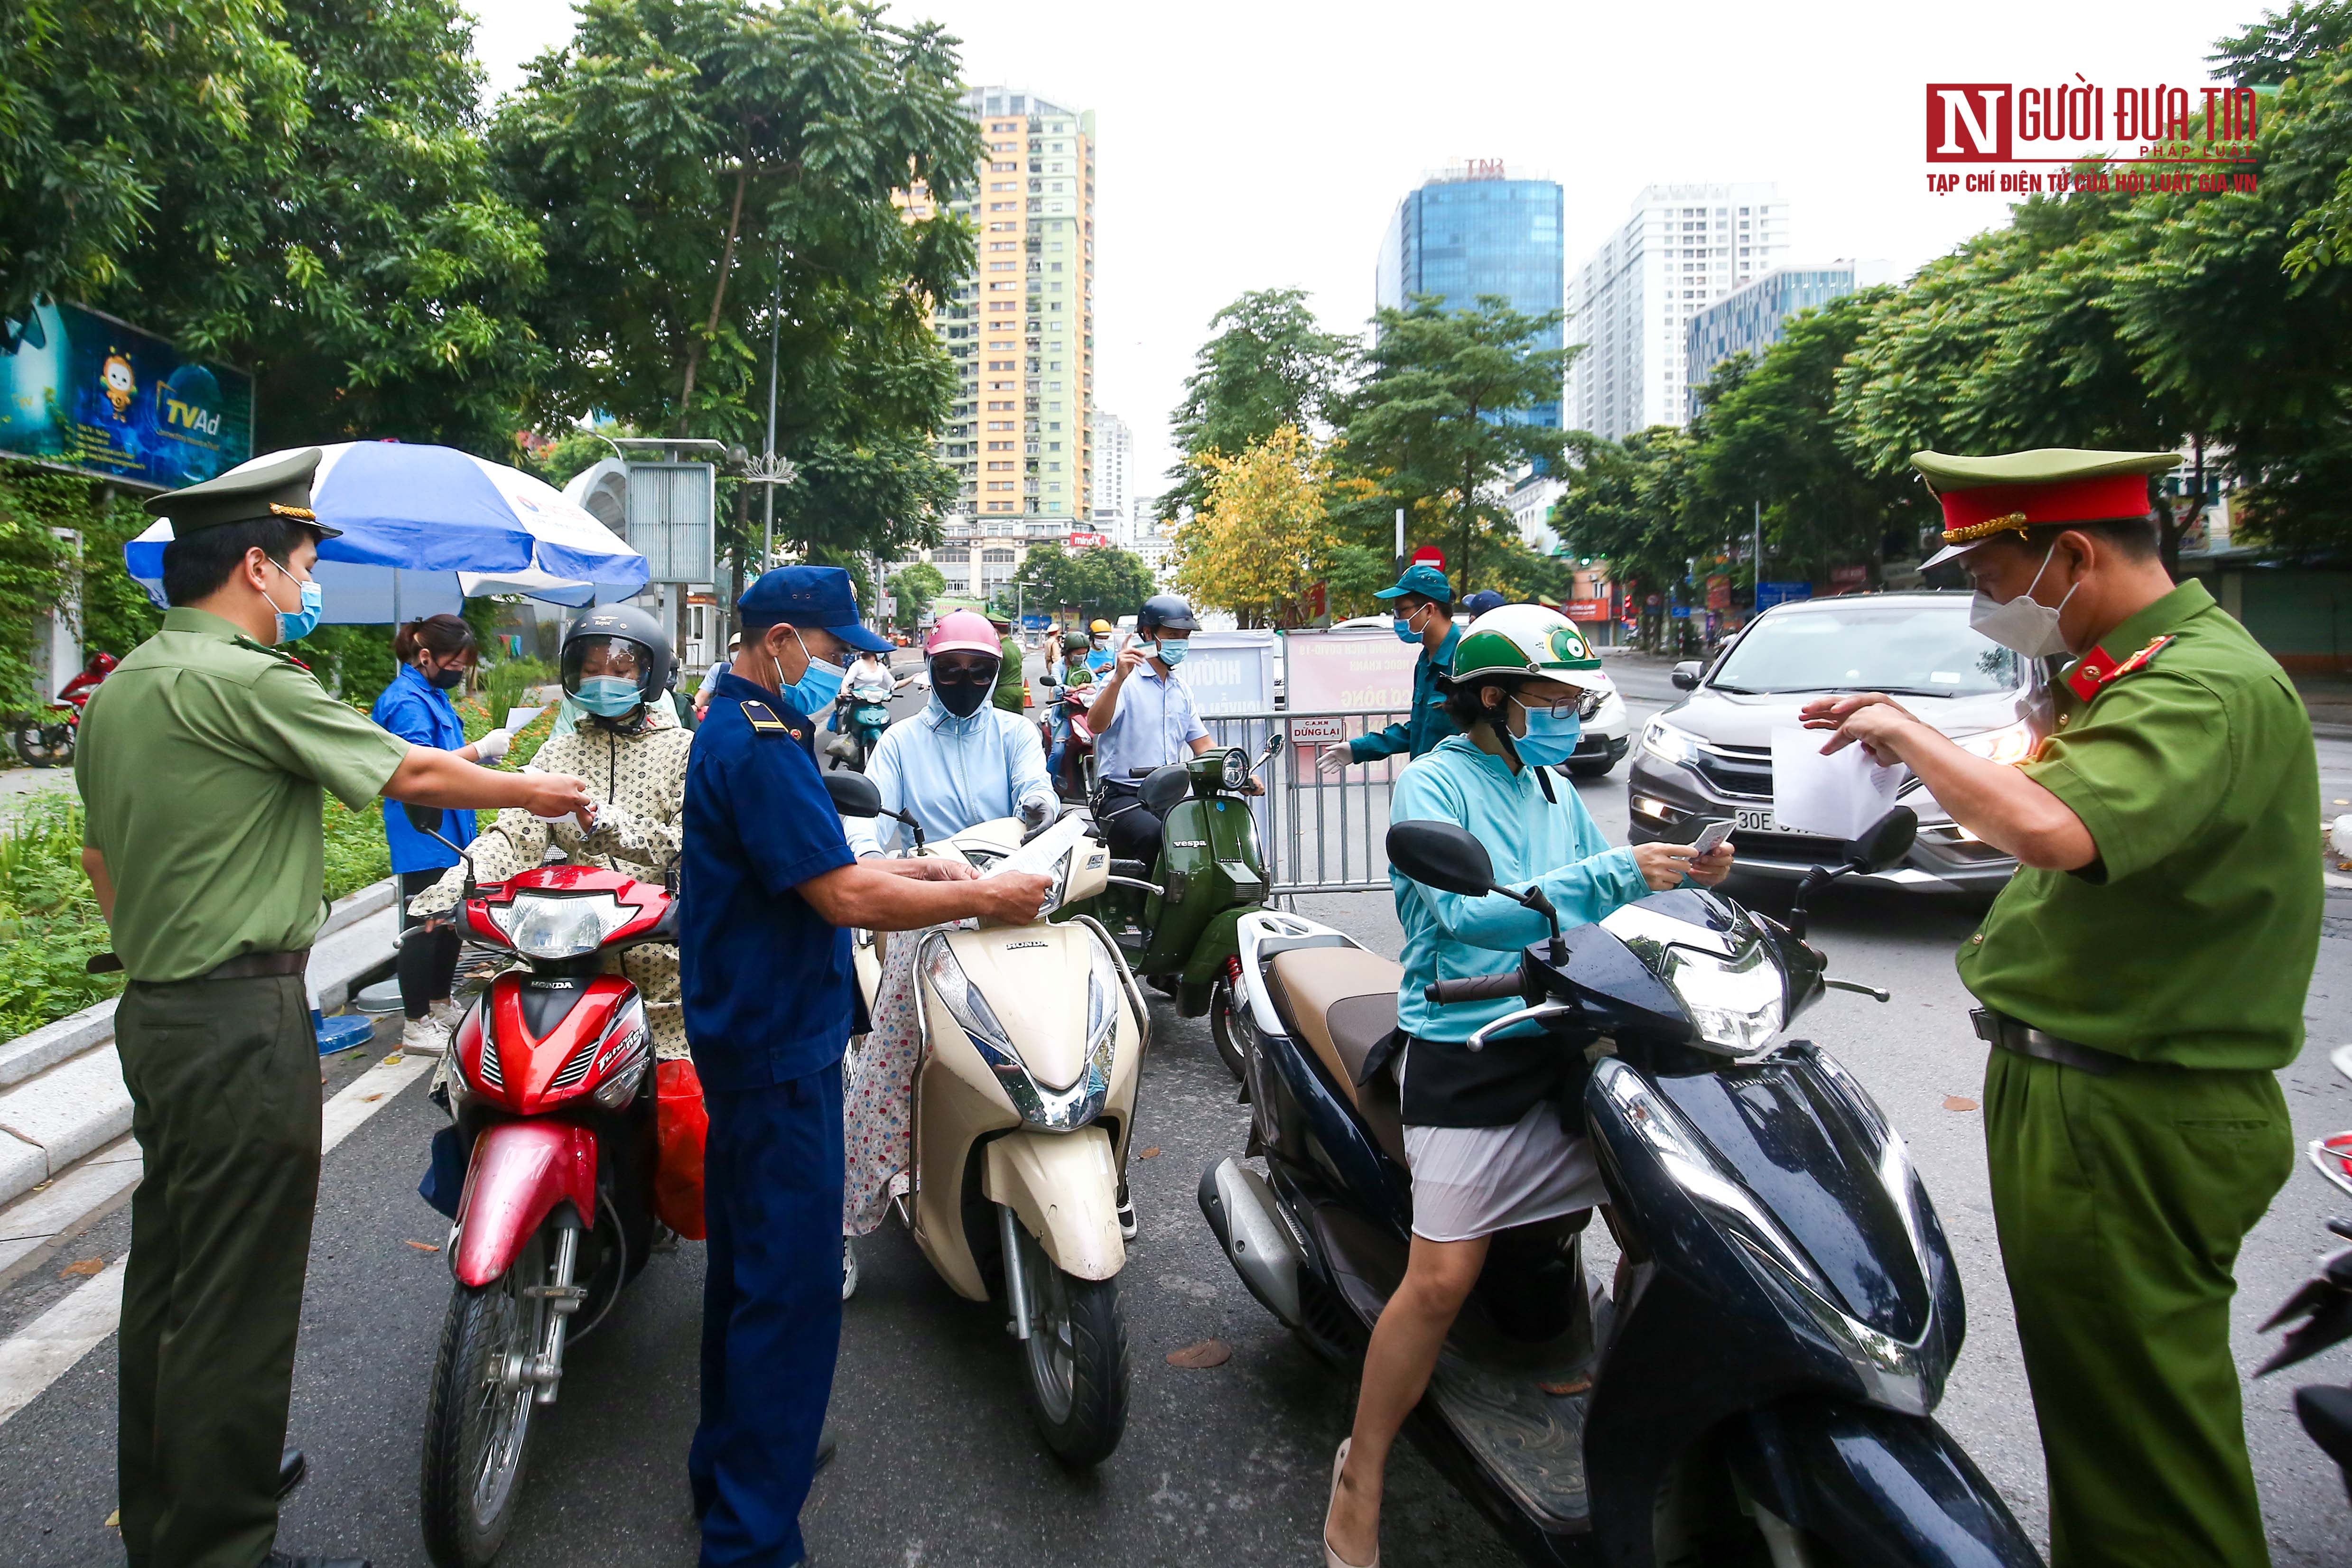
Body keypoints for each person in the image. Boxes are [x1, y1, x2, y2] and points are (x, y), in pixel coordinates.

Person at [74, 449, 593, 1568]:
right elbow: (408, 774)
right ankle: (223, 1547)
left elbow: (101, 858)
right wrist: (539, 790)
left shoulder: (121, 690)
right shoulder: (248, 680)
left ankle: (168, 1522)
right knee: (238, 1297)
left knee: (171, 1281)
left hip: (156, 1012)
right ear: (255, 566)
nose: (311, 585)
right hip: (235, 1024)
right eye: (305, 564)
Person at [1803, 448, 2320, 1568]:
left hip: (2128, 1108)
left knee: (2144, 1450)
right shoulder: (2132, 674)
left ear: (2072, 556)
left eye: (1992, 577)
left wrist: (1907, 731)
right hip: (2092, 1089)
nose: (1985, 606)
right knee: (2109, 1424)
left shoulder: (2201, 683)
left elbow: (2052, 831)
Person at [1321, 604, 1729, 1568]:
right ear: (1493, 699)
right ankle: (1362, 1467)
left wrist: (1679, 875)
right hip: (1466, 1035)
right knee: (1439, 1278)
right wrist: (1610, 873)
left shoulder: (1549, 780)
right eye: (1551, 700)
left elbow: (1601, 893)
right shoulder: (1432, 782)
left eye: (1572, 701)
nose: (1566, 717)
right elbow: (1467, 919)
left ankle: (1622, 1396)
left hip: (1565, 1027)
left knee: (1669, 1219)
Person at [681, 565, 1051, 1568]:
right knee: (790, 1290)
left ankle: (735, 1463)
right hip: (775, 1041)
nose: (844, 671)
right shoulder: (757, 743)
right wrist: (984, 898)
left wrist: (921, 865)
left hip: (755, 1029)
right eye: (838, 652)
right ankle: (753, 1537)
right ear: (781, 640)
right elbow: (841, 901)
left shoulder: (752, 722)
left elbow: (819, 870)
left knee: (749, 1274)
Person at [838, 610, 1057, 1292]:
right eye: (952, 669)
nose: (965, 681)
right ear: (929, 671)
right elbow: (867, 821)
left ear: (996, 675)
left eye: (980, 671)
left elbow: (1036, 789)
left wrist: (1038, 811)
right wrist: (875, 861)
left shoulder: (1016, 732)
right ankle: (840, 1227)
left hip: (1010, 904)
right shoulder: (900, 741)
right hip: (931, 912)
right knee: (892, 1057)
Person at [409, 604, 695, 1059]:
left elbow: (688, 843)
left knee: (687, 1105)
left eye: (620, 669)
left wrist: (607, 824)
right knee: (485, 1060)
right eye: (591, 668)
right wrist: (455, 887)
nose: (605, 679)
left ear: (650, 673)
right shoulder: (557, 753)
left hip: (666, 958)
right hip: (569, 955)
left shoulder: (683, 750)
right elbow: (514, 834)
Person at [372, 614, 510, 1056]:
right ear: (425, 655)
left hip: (452, 826)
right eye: (455, 662)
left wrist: (480, 759)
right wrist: (479, 751)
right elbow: (420, 770)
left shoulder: (431, 694)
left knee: (449, 920)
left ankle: (438, 1001)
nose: (459, 672)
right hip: (424, 827)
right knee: (423, 925)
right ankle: (415, 1022)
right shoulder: (406, 702)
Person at [1086, 592, 1216, 862]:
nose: (1180, 643)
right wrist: (1116, 681)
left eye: (1185, 637)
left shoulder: (1181, 690)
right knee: (1157, 836)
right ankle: (1148, 902)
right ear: (1148, 634)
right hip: (1122, 796)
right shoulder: (1124, 681)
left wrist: (1239, 773)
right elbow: (1096, 724)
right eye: (1172, 635)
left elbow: (1203, 746)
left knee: (1211, 835)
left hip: (1171, 797)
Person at [1317, 563, 1461, 780]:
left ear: (1430, 610)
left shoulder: (1464, 659)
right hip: (1428, 784)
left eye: (1401, 611)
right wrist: (1357, 749)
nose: (1397, 620)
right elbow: (1418, 729)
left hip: (1458, 788)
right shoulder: (1425, 661)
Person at [694, 632, 741, 721]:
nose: (737, 654)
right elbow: (702, 695)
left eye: (740, 650)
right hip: (716, 719)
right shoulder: (719, 669)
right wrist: (694, 707)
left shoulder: (755, 675)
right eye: (734, 650)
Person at [988, 613, 1027, 714]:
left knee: (1001, 724)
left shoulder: (999, 649)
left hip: (1003, 692)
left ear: (995, 631)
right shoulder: (1015, 648)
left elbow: (993, 673)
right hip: (1019, 690)